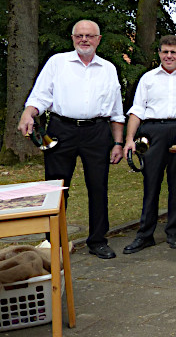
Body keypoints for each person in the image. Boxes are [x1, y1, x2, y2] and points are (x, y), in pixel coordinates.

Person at [18, 20, 124, 260]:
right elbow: (40, 95)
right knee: (55, 188)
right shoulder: (58, 62)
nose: (84, 39)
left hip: (97, 132)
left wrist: (117, 143)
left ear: (98, 39)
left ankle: (98, 241)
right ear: (73, 38)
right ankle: (52, 242)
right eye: (79, 35)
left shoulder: (108, 68)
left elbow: (116, 111)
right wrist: (28, 112)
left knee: (98, 187)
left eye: (89, 36)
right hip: (61, 129)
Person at [122, 35, 176, 254]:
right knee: (151, 183)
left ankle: (174, 232)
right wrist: (129, 139)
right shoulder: (148, 78)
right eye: (165, 52)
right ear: (159, 53)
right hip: (152, 132)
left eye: (173, 52)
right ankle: (145, 235)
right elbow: (137, 110)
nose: (169, 56)